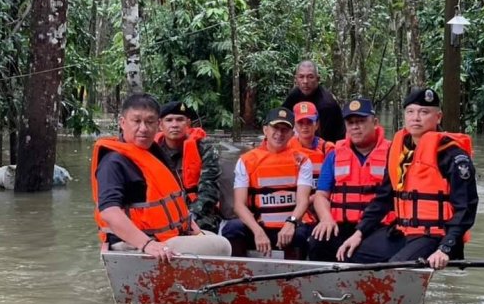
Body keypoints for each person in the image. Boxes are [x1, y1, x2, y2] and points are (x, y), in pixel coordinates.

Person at [336, 87, 478, 269]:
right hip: (402, 232)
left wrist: (446, 247)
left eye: (424, 112)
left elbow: (466, 208)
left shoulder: (452, 155)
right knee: (350, 254)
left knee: (396, 268)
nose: (415, 117)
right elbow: (384, 198)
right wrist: (359, 232)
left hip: (435, 236)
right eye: (410, 112)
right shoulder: (399, 152)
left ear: (438, 117)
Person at [91, 93, 231, 260]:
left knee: (214, 239)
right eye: (136, 121)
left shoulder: (153, 152)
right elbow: (108, 211)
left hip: (163, 234)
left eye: (149, 122)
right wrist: (147, 244)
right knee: (223, 246)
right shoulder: (113, 162)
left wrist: (188, 223)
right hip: (134, 241)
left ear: (157, 125)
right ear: (122, 122)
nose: (143, 128)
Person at [307, 98, 395, 262]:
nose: (355, 127)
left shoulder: (394, 153)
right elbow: (321, 195)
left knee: (363, 252)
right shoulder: (335, 154)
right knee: (317, 242)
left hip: (380, 226)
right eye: (350, 122)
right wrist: (326, 219)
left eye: (361, 121)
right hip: (341, 224)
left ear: (375, 122)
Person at [221, 107, 313, 258]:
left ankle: (295, 279)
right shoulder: (247, 160)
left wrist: (291, 223)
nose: (279, 133)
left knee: (301, 236)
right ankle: (239, 276)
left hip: (288, 227)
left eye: (285, 129)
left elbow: (303, 201)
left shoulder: (301, 160)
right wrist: (257, 231)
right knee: (232, 229)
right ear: (265, 130)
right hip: (258, 225)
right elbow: (239, 205)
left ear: (291, 133)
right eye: (275, 128)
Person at [154, 100, 222, 233]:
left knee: (204, 227)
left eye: (180, 120)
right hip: (162, 211)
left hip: (198, 212)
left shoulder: (204, 147)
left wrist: (190, 217)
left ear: (188, 123)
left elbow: (210, 188)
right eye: (169, 120)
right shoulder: (152, 150)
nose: (174, 125)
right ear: (160, 125)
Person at [282, 60, 345, 142]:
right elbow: (282, 118)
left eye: (310, 77)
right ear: (296, 79)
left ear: (318, 79)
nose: (305, 82)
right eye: (301, 77)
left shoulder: (326, 104)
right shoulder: (296, 93)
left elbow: (324, 141)